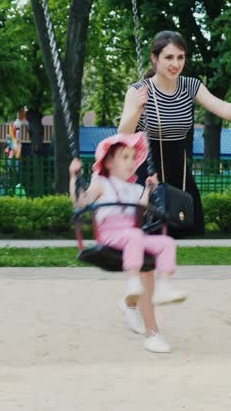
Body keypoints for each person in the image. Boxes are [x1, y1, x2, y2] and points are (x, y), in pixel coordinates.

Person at [117, 30, 231, 345]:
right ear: (155, 59)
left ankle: (129, 303)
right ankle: (153, 330)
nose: (175, 64)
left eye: (180, 57)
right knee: (152, 246)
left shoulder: (190, 86)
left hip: (177, 169)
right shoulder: (138, 90)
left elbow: (225, 108)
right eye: (168, 58)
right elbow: (123, 133)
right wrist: (136, 109)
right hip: (145, 167)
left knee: (168, 238)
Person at [69, 132, 187, 353]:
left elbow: (142, 208)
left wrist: (151, 189)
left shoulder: (134, 188)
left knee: (166, 243)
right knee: (135, 235)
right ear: (109, 161)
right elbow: (80, 201)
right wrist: (74, 177)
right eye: (125, 157)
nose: (132, 162)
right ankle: (133, 282)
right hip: (110, 235)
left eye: (134, 158)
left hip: (132, 237)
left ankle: (164, 286)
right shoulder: (101, 183)